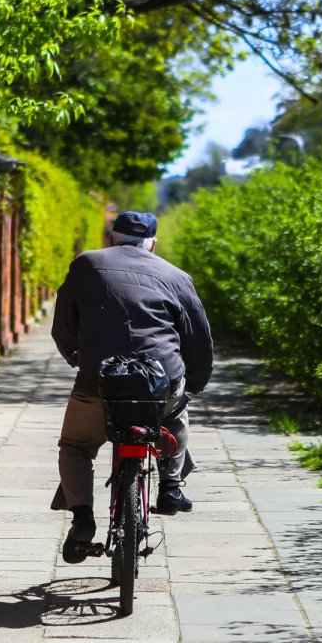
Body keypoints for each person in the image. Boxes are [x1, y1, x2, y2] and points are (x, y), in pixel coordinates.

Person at [50, 210, 214, 564]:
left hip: (100, 380)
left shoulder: (86, 264)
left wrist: (76, 357)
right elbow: (198, 339)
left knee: (77, 446)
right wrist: (194, 384)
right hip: (160, 381)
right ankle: (170, 488)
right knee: (176, 410)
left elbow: (62, 323)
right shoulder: (177, 276)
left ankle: (81, 518)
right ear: (152, 244)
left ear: (112, 237)